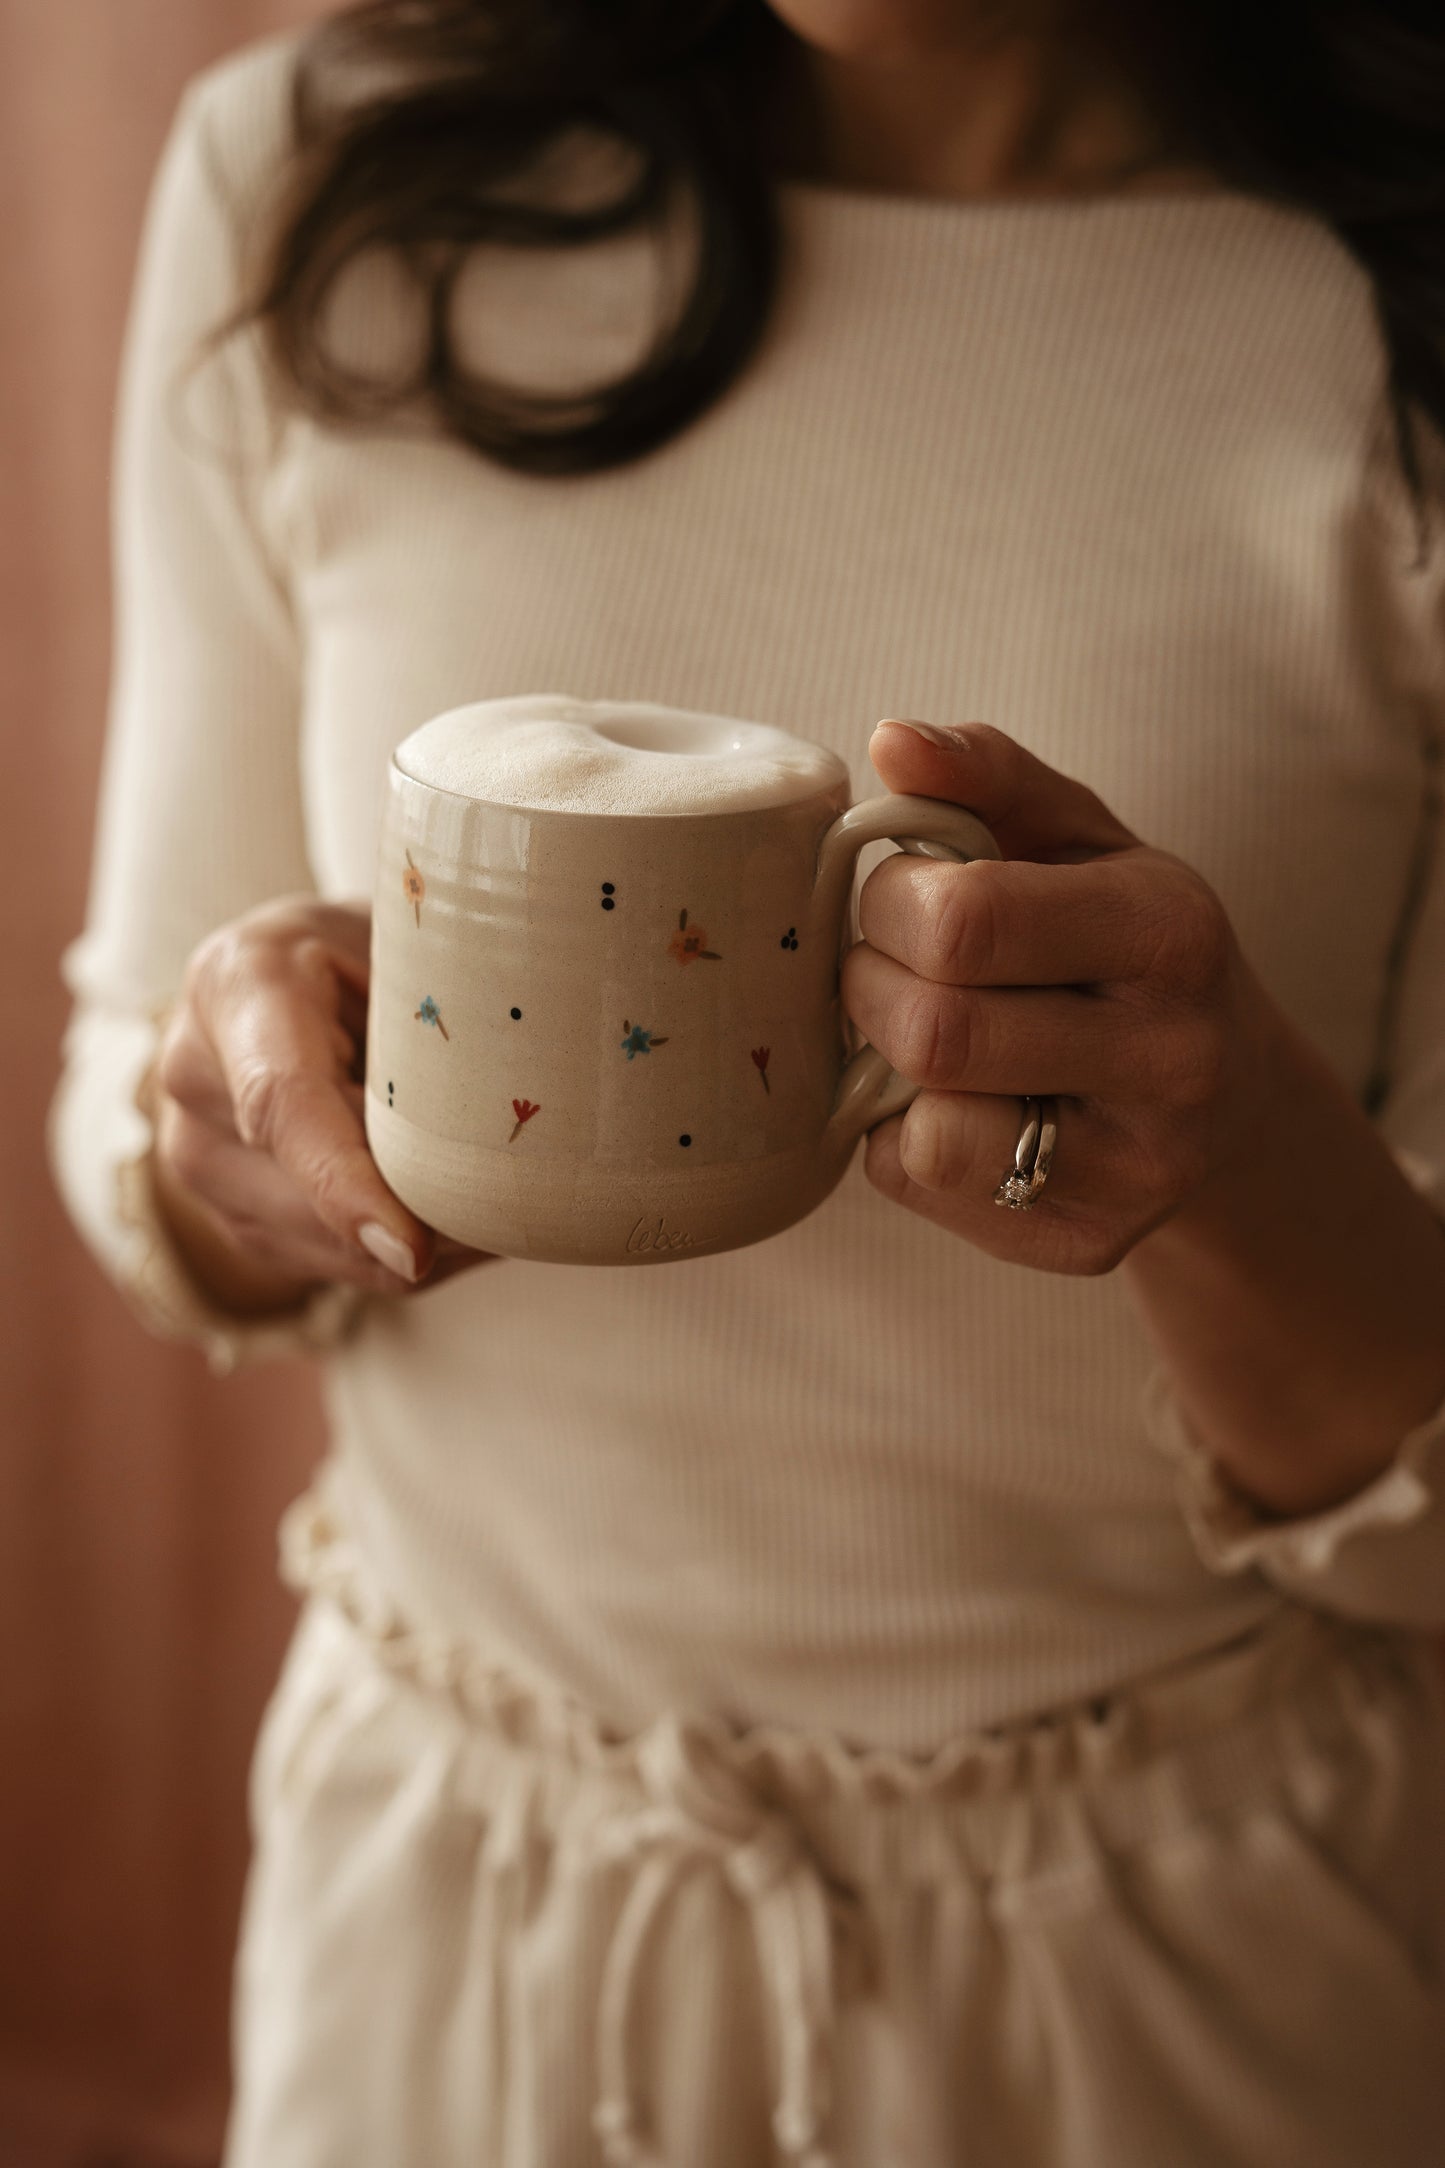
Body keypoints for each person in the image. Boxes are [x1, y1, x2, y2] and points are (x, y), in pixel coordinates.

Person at [51, 0, 1445, 2160]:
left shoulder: (1388, 302)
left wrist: (1242, 1152)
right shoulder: (317, 178)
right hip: (454, 1942)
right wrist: (224, 1152)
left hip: (1180, 1989)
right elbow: (130, 1060)